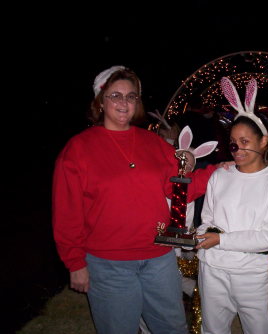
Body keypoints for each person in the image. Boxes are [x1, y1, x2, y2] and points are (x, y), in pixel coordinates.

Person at [52, 65, 222, 334]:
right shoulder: (78, 149)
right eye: (115, 95)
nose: (124, 102)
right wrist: (75, 263)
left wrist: (218, 172)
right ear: (100, 101)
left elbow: (180, 191)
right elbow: (67, 213)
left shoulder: (153, 143)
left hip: (159, 259)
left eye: (131, 96)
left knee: (173, 328)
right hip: (108, 264)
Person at [195, 77, 268, 334]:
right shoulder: (220, 175)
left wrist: (221, 240)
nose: (237, 148)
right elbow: (207, 218)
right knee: (212, 329)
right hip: (212, 269)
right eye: (234, 142)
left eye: (245, 141)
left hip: (251, 274)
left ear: (263, 142)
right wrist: (203, 235)